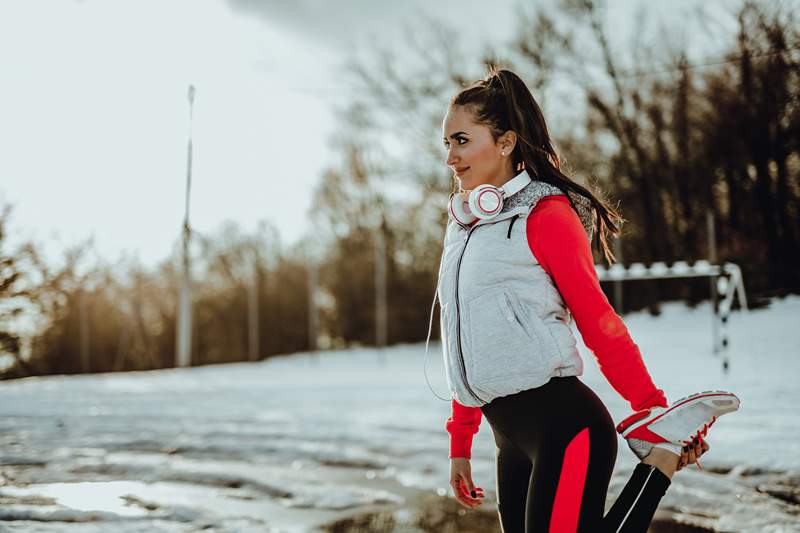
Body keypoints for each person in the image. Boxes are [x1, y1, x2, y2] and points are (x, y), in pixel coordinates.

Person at [431, 68, 740, 532]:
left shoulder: (547, 216)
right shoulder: (464, 228)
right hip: (509, 439)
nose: (451, 157)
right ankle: (662, 457)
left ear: (505, 142)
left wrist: (650, 406)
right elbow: (466, 342)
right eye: (446, 144)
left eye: (461, 140)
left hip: (565, 427)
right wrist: (460, 443)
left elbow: (598, 319)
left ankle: (661, 454)